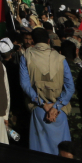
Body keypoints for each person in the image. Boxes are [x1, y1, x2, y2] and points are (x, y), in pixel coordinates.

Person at [19, 27, 74, 155]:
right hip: (59, 113)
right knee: (62, 154)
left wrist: (43, 104)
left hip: (39, 111)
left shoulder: (26, 56)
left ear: (33, 41)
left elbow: (25, 84)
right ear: (48, 41)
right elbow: (70, 87)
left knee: (40, 156)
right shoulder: (61, 59)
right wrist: (56, 107)